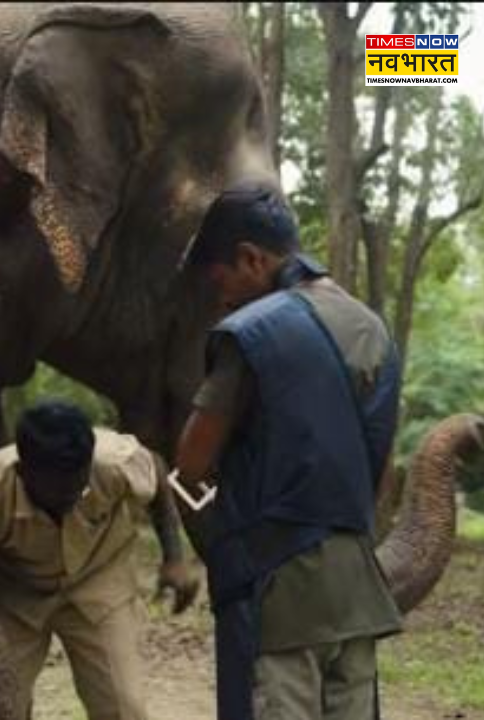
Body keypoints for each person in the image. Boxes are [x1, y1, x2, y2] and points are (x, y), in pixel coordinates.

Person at [173, 184, 403, 720]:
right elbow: (380, 471)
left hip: (277, 601)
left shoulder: (251, 332)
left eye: (221, 279)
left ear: (252, 258)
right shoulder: (373, 329)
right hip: (358, 598)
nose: (222, 298)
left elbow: (192, 463)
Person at [0, 400, 197, 720]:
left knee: (123, 706)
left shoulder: (114, 460)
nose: (70, 500)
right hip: (14, 593)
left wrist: (174, 557)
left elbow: (156, 473)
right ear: (22, 473)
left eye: (78, 489)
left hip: (100, 576)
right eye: (58, 494)